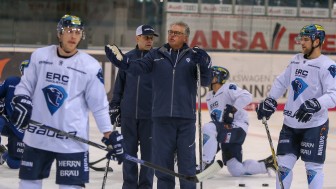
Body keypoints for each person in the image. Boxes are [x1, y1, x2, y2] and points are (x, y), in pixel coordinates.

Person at [10, 14, 124, 189]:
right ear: (59, 33)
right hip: (37, 136)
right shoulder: (40, 56)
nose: (73, 36)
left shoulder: (90, 66)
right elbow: (25, 86)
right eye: (69, 31)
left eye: (78, 32)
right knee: (28, 184)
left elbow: (99, 105)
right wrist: (22, 99)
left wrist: (108, 134)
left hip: (72, 141)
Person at [105, 21, 212, 189]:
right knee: (162, 167)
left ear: (185, 37)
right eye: (170, 31)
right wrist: (123, 63)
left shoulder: (193, 57)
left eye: (176, 33)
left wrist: (205, 64)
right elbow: (137, 67)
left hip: (185, 120)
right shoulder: (156, 55)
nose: (171, 35)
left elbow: (206, 81)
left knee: (187, 164)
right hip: (161, 120)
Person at [256, 24, 336, 189]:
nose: (302, 43)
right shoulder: (295, 60)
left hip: (314, 126)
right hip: (290, 124)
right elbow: (282, 81)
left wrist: (316, 103)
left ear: (317, 41)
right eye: (302, 39)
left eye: (306, 39)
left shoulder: (327, 65)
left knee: (313, 168)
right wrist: (270, 99)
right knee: (283, 167)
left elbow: (334, 94)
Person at [198, 66, 275, 176]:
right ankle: (267, 164)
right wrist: (214, 145)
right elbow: (217, 123)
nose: (207, 77)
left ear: (218, 78)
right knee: (236, 170)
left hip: (237, 127)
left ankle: (205, 164)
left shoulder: (228, 88)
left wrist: (232, 110)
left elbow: (247, 96)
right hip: (226, 130)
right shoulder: (209, 96)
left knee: (208, 127)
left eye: (211, 75)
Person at [109, 24, 158, 189]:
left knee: (148, 157)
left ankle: (145, 186)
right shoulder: (127, 59)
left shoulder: (158, 60)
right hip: (128, 116)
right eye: (146, 37)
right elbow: (119, 87)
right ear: (137, 38)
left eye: (151, 38)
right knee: (128, 154)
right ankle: (129, 185)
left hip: (150, 117)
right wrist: (115, 106)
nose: (149, 41)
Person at [0, 60, 29, 169]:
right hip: (6, 122)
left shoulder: (40, 90)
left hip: (21, 129)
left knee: (14, 163)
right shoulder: (11, 82)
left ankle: (3, 152)